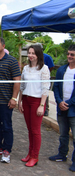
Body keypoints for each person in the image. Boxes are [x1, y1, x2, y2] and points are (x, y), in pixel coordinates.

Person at [18, 45, 50, 167]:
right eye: (29, 53)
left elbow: (45, 88)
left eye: (33, 53)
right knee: (29, 129)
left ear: (38, 54)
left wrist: (42, 105)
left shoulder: (44, 69)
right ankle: (30, 153)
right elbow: (22, 86)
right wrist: (20, 101)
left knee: (35, 131)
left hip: (37, 101)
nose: (30, 55)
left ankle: (35, 156)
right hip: (26, 99)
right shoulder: (26, 68)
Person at [49, 44, 75, 172]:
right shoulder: (61, 70)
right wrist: (59, 101)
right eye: (68, 54)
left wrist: (69, 103)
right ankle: (62, 154)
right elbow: (56, 87)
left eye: (72, 55)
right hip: (61, 107)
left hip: (73, 109)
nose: (69, 56)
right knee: (63, 134)